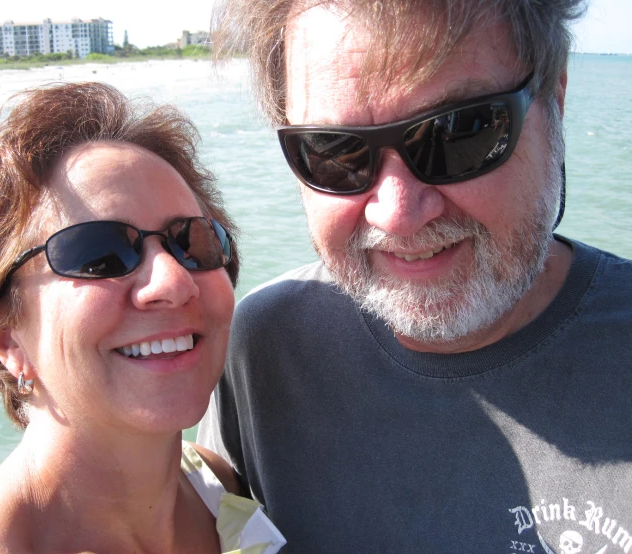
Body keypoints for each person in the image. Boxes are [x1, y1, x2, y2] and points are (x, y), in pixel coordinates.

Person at [198, 0, 632, 551]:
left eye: (460, 132)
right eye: (334, 150)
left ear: (556, 101)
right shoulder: (262, 352)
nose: (398, 213)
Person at [0, 82, 285, 553]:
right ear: (7, 339)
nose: (174, 281)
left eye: (194, 241)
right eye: (100, 254)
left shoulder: (213, 484)